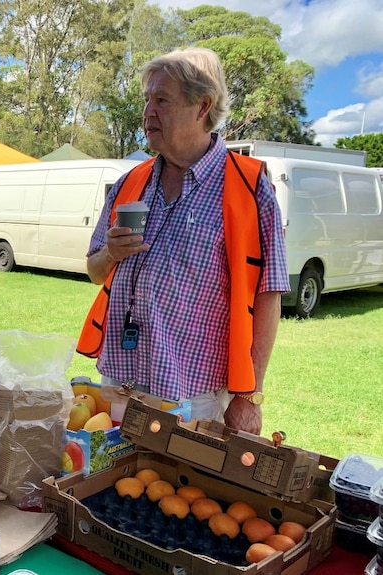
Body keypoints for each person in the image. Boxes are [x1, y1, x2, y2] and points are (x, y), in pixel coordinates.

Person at [78, 47, 288, 435]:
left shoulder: (249, 185)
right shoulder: (131, 182)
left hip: (195, 396)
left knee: (181, 493)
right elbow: (93, 270)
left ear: (202, 106)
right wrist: (111, 253)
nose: (147, 112)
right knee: (117, 491)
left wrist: (248, 397)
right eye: (146, 100)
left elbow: (268, 295)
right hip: (118, 384)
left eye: (162, 100)